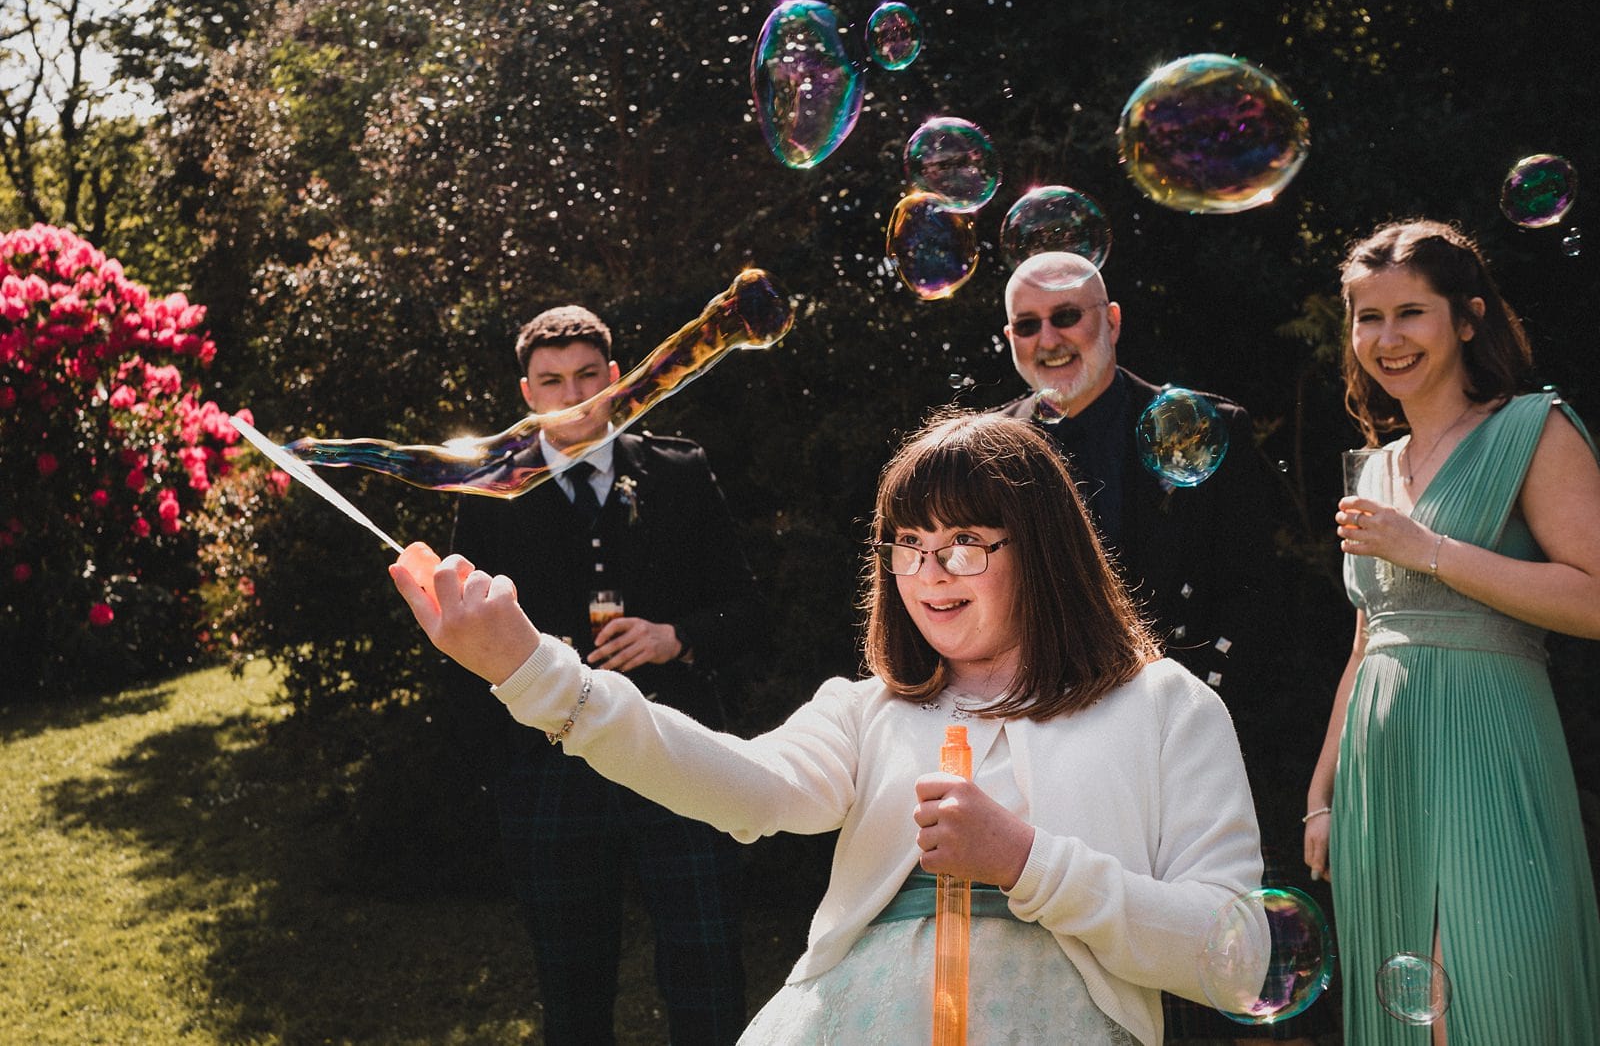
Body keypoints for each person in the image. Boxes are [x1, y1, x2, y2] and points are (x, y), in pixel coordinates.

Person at [396, 410, 1264, 1046]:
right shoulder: (868, 709)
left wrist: (1026, 861)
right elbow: (734, 781)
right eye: (909, 543)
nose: (930, 573)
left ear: (1041, 548)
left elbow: (1238, 956)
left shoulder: (1164, 706)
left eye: (966, 542)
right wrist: (536, 673)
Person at [995, 251, 1321, 1043]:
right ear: (1010, 338)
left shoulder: (1203, 427)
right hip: (1039, 749)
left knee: (1201, 972)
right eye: (1029, 324)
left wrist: (1195, 707)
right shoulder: (994, 446)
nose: (1051, 338)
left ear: (1110, 322)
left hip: (1181, 741)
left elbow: (1258, 595)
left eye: (1068, 316)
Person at [1306, 218, 1600, 1043]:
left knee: (1492, 993)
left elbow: (1595, 597)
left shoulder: (1534, 429)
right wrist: (1320, 792)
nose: (1387, 339)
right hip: (1379, 766)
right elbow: (1368, 639)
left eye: (1411, 313)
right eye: (1369, 317)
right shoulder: (1372, 467)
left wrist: (1429, 549)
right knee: (1409, 1014)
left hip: (1490, 746)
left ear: (1468, 317)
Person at [448, 305, 766, 1044]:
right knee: (572, 985)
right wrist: (510, 749)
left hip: (678, 749)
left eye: (589, 375)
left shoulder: (679, 471)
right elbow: (462, 644)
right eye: (552, 380)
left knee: (709, 969)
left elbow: (749, 611)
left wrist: (675, 636)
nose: (573, 394)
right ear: (528, 392)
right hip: (549, 766)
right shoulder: (491, 494)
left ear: (616, 380)